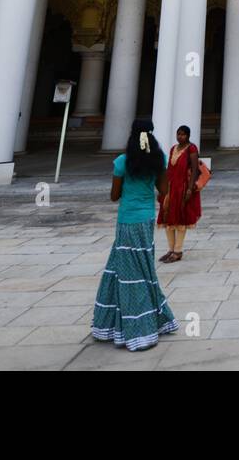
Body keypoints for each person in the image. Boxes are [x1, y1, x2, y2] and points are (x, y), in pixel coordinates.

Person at [91, 119, 177, 351]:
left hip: (127, 221)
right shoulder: (159, 160)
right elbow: (164, 190)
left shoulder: (122, 162)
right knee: (143, 267)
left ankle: (136, 328)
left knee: (128, 271)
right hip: (146, 219)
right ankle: (153, 318)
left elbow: (114, 195)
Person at [158, 125, 201, 263]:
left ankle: (178, 251)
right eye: (178, 134)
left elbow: (194, 170)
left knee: (180, 218)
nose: (180, 137)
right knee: (167, 217)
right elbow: (169, 168)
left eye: (182, 134)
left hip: (183, 187)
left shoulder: (192, 148)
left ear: (188, 135)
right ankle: (170, 249)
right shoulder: (173, 149)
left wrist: (189, 189)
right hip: (171, 187)